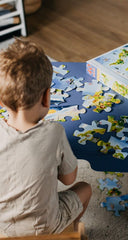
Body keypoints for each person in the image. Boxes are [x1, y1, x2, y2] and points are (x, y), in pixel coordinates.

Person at [0, 38, 92, 237]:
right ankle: (69, 232)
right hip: (44, 228)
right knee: (85, 188)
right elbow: (69, 179)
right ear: (46, 97)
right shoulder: (55, 132)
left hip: (3, 229)